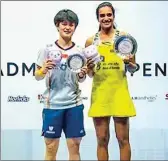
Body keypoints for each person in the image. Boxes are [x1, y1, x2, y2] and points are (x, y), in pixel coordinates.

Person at [85, 2, 138, 161]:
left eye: (109, 14)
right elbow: (89, 73)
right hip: (100, 93)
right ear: (98, 18)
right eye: (102, 15)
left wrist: (130, 63)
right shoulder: (90, 41)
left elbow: (133, 68)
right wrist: (89, 68)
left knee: (123, 140)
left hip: (119, 93)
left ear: (113, 16)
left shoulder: (124, 38)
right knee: (101, 140)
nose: (106, 18)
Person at [35, 9, 87, 161]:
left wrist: (82, 74)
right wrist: (43, 69)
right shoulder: (46, 49)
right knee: (51, 148)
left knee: (75, 147)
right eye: (64, 24)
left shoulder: (80, 51)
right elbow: (37, 76)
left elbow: (81, 78)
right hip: (53, 105)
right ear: (57, 25)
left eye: (71, 24)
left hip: (74, 104)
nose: (67, 27)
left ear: (75, 27)